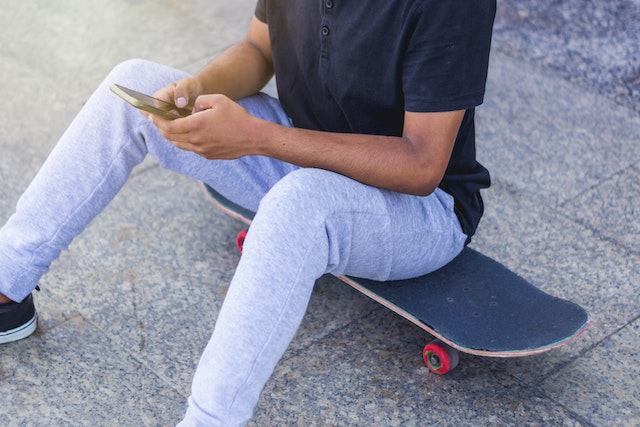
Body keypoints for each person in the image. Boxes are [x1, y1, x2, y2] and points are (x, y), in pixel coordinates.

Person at [0, 0, 496, 424]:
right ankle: (8, 283)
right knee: (136, 86)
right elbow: (258, 50)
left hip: (422, 209)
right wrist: (193, 92)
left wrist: (258, 137)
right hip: (302, 150)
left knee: (298, 203)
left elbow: (421, 164)